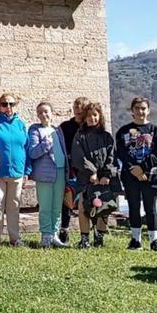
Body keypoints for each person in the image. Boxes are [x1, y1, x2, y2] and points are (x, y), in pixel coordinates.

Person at [115, 97, 157, 252]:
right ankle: (136, 240)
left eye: (143, 108)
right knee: (134, 206)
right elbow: (122, 153)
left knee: (150, 208)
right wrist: (134, 170)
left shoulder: (155, 131)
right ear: (132, 110)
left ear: (148, 110)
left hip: (151, 175)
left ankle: (154, 240)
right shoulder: (123, 131)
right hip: (131, 176)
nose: (140, 111)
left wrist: (143, 168)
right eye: (137, 108)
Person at [71, 102, 116, 249]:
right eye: (89, 116)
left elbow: (111, 157)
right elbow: (78, 156)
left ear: (100, 116)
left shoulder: (107, 137)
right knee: (83, 207)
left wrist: (107, 175)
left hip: (104, 179)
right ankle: (85, 239)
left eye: (95, 115)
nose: (92, 118)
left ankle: (99, 237)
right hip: (86, 178)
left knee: (103, 208)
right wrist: (91, 172)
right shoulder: (80, 136)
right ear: (84, 118)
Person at [0, 93, 30, 248]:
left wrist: (27, 171)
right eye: (4, 104)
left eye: (11, 104)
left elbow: (27, 148)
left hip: (17, 172)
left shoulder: (21, 125)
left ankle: (14, 237)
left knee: (14, 206)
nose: (8, 107)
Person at [28, 102, 68, 248]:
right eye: (40, 112)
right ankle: (45, 235)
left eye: (46, 111)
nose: (44, 115)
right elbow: (32, 152)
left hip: (60, 172)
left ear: (52, 113)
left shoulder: (58, 130)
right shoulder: (35, 130)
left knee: (57, 206)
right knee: (45, 206)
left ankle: (54, 234)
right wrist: (46, 144)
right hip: (44, 174)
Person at [57, 96, 89, 243]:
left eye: (81, 107)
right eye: (76, 107)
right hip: (70, 169)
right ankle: (64, 229)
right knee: (67, 200)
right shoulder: (65, 126)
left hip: (87, 168)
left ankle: (88, 233)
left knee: (86, 200)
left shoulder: (90, 127)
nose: (78, 110)